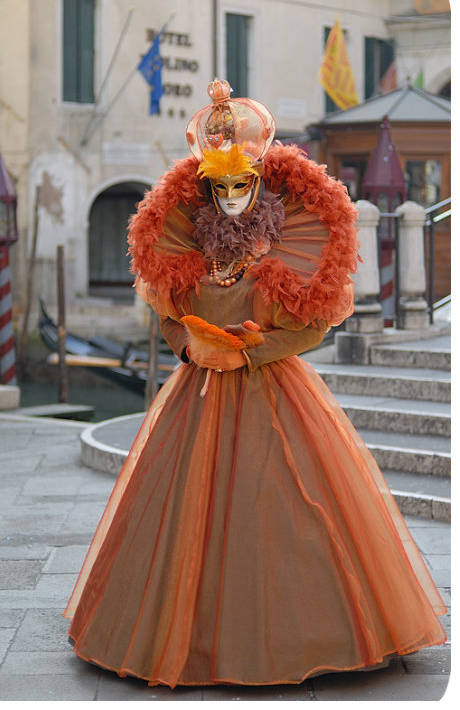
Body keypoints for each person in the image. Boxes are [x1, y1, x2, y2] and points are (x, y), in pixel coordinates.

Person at [64, 79, 446, 688]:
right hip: (197, 395)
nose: (235, 196)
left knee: (283, 511)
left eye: (244, 183)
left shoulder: (289, 245)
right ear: (205, 187)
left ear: (262, 180)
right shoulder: (184, 242)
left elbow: (312, 328)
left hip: (273, 393)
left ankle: (307, 635)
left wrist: (252, 353)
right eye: (222, 185)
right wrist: (189, 344)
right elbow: (167, 313)